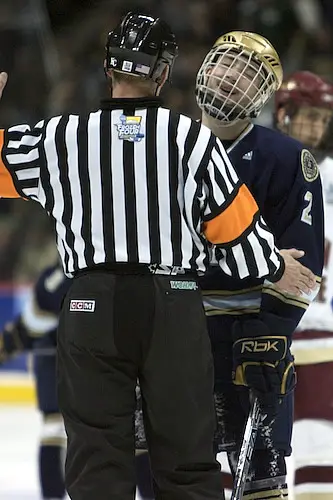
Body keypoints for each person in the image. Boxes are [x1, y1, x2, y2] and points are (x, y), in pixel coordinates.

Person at [0, 13, 317, 500]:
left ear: (108, 67)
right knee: (187, 464)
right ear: (165, 73)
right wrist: (276, 266)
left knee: (96, 462)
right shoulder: (192, 141)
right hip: (173, 302)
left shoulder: (62, 138)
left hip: (90, 305)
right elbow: (234, 234)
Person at [195, 32, 325, 499]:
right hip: (173, 334)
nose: (231, 79)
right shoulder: (165, 147)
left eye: (248, 74)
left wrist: (270, 331)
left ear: (264, 96)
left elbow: (305, 264)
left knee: (261, 486)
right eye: (226, 65)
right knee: (175, 476)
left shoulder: (287, 159)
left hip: (249, 336)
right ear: (204, 69)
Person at [275, 70, 333, 500]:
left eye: (321, 118)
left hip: (320, 332)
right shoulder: (261, 162)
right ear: (283, 115)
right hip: (263, 331)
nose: (314, 127)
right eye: (306, 116)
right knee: (244, 453)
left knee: (318, 449)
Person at [0, 263, 70, 500]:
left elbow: (28, 327)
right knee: (55, 425)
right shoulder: (61, 277)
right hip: (58, 359)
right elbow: (31, 324)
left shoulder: (55, 276)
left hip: (57, 357)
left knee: (55, 426)